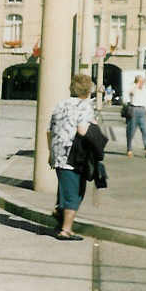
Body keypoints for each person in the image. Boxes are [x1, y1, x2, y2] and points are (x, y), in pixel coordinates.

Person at [47, 74, 95, 241]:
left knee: (66, 188)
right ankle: (65, 230)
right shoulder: (85, 106)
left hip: (58, 152)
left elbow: (50, 130)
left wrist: (50, 152)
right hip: (75, 155)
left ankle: (60, 212)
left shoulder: (61, 104)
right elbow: (82, 131)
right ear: (88, 90)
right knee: (75, 193)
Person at [125, 75, 146, 158]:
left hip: (143, 110)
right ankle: (129, 149)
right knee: (131, 131)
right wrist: (136, 85)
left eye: (143, 82)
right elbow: (129, 93)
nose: (142, 83)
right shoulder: (133, 88)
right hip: (134, 109)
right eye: (140, 81)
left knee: (145, 131)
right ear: (136, 81)